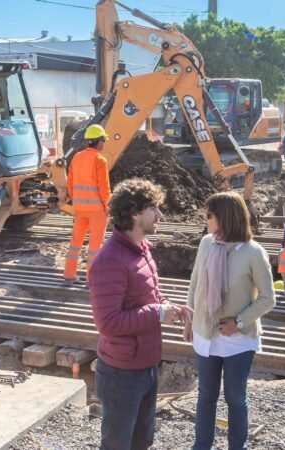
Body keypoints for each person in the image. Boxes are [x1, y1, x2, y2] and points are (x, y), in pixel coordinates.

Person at [89, 179, 191, 450]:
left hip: (146, 364)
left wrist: (170, 307)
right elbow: (108, 323)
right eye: (154, 208)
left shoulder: (142, 250)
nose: (160, 215)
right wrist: (157, 313)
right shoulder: (110, 261)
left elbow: (149, 297)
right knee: (117, 445)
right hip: (121, 373)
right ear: (134, 213)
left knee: (142, 441)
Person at [183, 191, 276, 450]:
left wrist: (239, 322)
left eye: (209, 215)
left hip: (237, 339)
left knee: (235, 398)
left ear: (225, 217)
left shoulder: (253, 252)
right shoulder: (206, 244)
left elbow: (268, 298)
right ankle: (201, 446)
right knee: (206, 396)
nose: (206, 220)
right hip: (205, 333)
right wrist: (190, 318)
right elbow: (195, 283)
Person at [64, 124, 111, 283]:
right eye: (104, 140)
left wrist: (76, 200)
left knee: (75, 243)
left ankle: (69, 274)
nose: (104, 144)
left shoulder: (77, 157)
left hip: (79, 208)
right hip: (96, 210)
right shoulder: (100, 160)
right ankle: (92, 280)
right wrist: (107, 206)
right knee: (95, 247)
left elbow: (70, 183)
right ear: (99, 141)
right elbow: (104, 188)